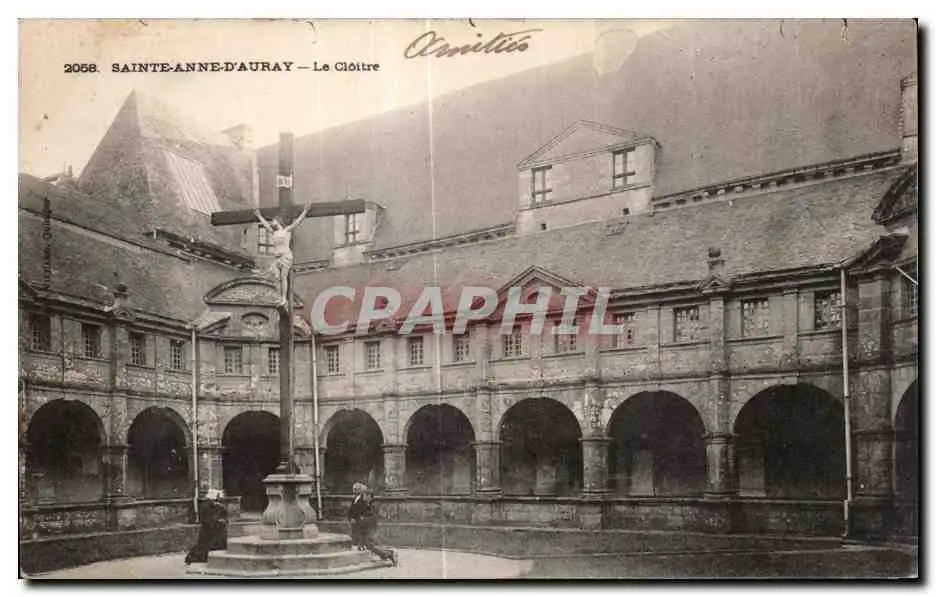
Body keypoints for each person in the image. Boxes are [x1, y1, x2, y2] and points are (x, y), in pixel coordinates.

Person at [254, 202, 312, 308]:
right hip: (277, 258)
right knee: (276, 277)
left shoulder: (286, 230)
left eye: (273, 221)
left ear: (278, 221)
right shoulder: (273, 232)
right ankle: (278, 297)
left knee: (283, 277)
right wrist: (259, 216)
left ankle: (283, 298)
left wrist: (305, 211)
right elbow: (265, 225)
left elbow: (297, 222)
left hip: (285, 256)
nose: (271, 223)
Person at [347, 483, 397, 566]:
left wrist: (360, 519)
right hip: (363, 528)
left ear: (369, 497)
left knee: (369, 545)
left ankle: (388, 554)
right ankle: (386, 554)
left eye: (365, 495)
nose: (364, 497)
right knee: (367, 545)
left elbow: (370, 518)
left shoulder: (369, 506)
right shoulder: (361, 503)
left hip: (368, 528)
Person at [184, 489, 228, 565]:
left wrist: (220, 518)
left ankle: (202, 557)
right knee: (203, 544)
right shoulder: (206, 505)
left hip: (213, 527)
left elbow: (220, 514)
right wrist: (216, 520)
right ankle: (192, 558)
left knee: (207, 543)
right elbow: (206, 517)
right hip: (207, 528)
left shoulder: (216, 505)